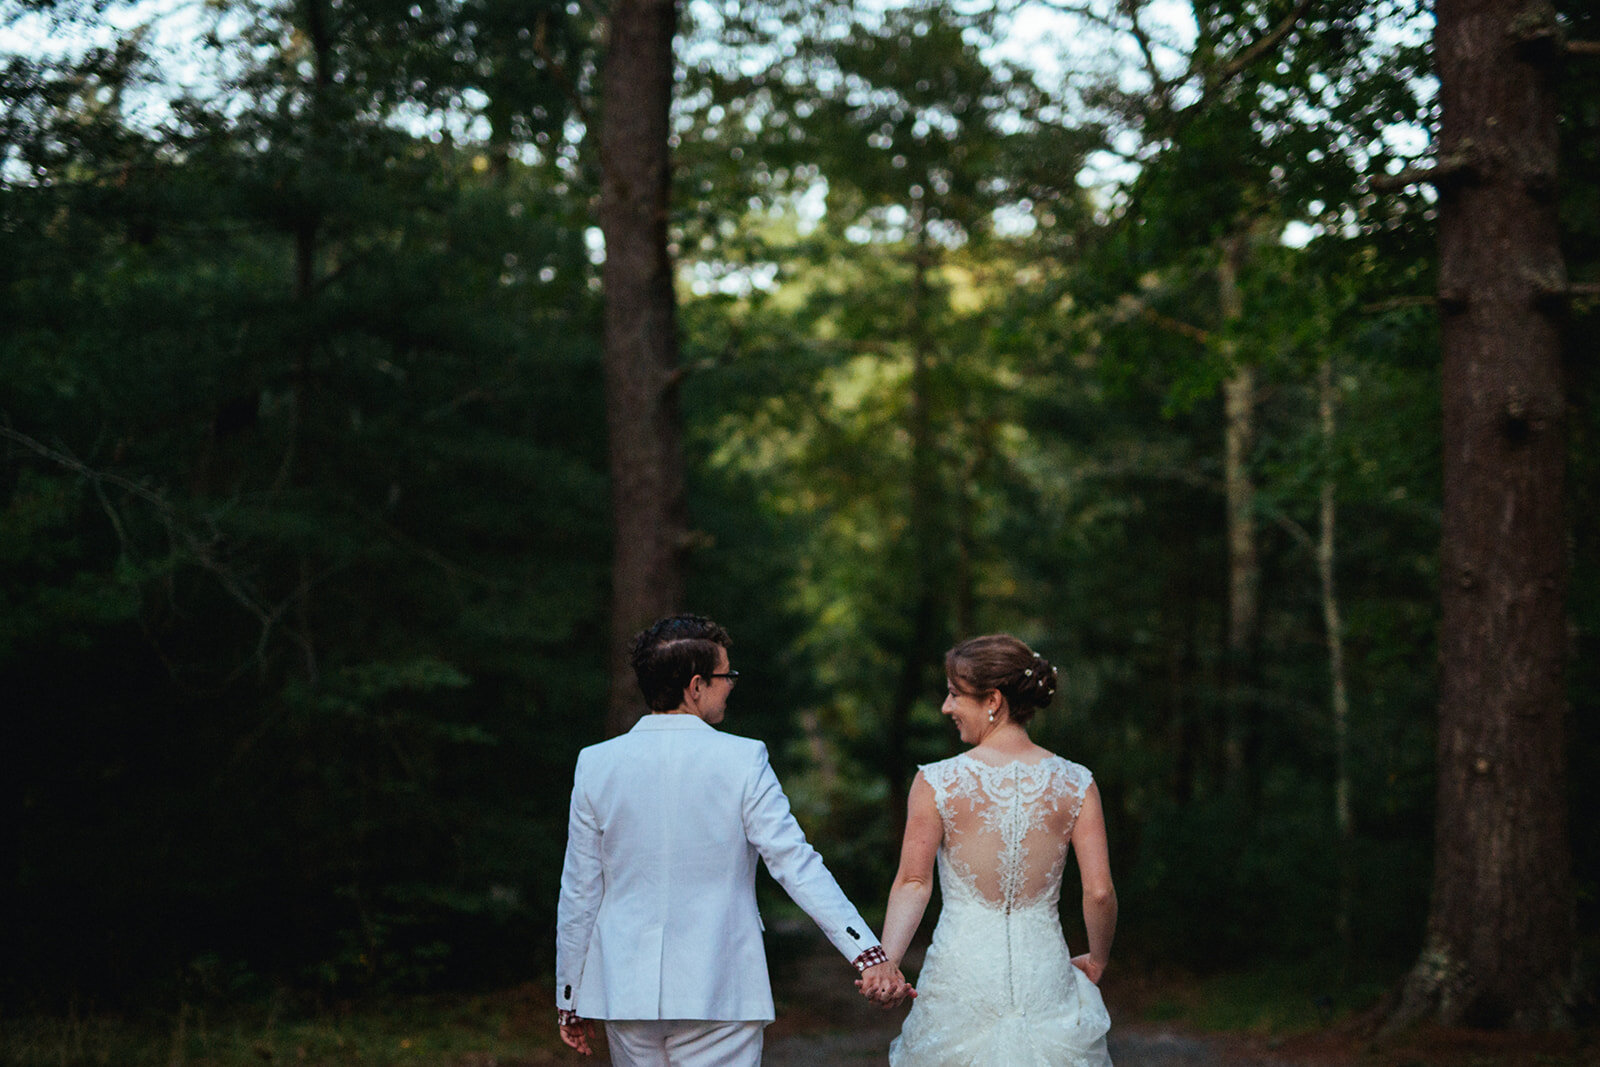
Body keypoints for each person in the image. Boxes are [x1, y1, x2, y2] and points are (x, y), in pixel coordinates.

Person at [555, 613, 913, 1065]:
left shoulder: (596, 764)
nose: (732, 685)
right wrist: (867, 953)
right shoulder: (743, 759)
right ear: (696, 685)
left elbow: (580, 891)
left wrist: (569, 993)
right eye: (727, 675)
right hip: (719, 986)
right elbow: (794, 863)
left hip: (625, 992)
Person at [875, 634, 1117, 1066]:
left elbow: (913, 882)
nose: (946, 708)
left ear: (992, 700)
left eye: (954, 695)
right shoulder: (1077, 782)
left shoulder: (936, 782)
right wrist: (1097, 959)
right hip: (1044, 977)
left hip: (962, 980)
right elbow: (1099, 892)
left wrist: (888, 962)